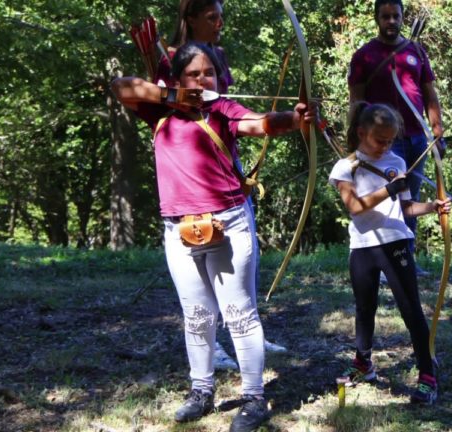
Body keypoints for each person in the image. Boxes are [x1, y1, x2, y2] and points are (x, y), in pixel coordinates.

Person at [111, 42, 316, 429]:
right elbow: (121, 86)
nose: (203, 80)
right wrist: (171, 96)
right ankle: (201, 391)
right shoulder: (160, 110)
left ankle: (254, 398)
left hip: (229, 222)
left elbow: (260, 123)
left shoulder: (222, 109)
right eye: (194, 74)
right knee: (197, 315)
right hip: (179, 228)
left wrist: (295, 119)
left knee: (239, 313)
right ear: (178, 78)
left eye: (209, 74)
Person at [162, 0, 288, 370]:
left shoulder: (219, 57)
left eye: (221, 16)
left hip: (222, 167)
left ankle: (249, 335)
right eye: (212, 16)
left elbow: (242, 117)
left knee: (238, 267)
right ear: (191, 19)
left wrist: (290, 120)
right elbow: (134, 94)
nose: (220, 23)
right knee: (197, 289)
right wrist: (174, 96)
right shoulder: (171, 59)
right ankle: (212, 348)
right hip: (187, 179)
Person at [328, 102, 451, 405]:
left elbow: (407, 207)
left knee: (410, 307)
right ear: (361, 132)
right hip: (363, 246)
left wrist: (433, 207)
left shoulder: (396, 161)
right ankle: (363, 364)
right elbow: (355, 206)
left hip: (395, 241)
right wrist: (389, 189)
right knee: (364, 307)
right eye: (379, 140)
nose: (385, 146)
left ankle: (427, 373)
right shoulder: (346, 167)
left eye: (390, 140)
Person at [348, 0, 445, 276]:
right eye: (386, 16)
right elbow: (356, 101)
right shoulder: (364, 56)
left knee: (409, 198)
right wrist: (356, 141)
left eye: (396, 16)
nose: (391, 21)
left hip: (417, 139)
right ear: (377, 19)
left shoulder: (416, 51)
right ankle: (380, 264)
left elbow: (429, 94)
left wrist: (437, 131)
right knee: (384, 201)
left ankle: (406, 263)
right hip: (383, 142)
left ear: (403, 18)